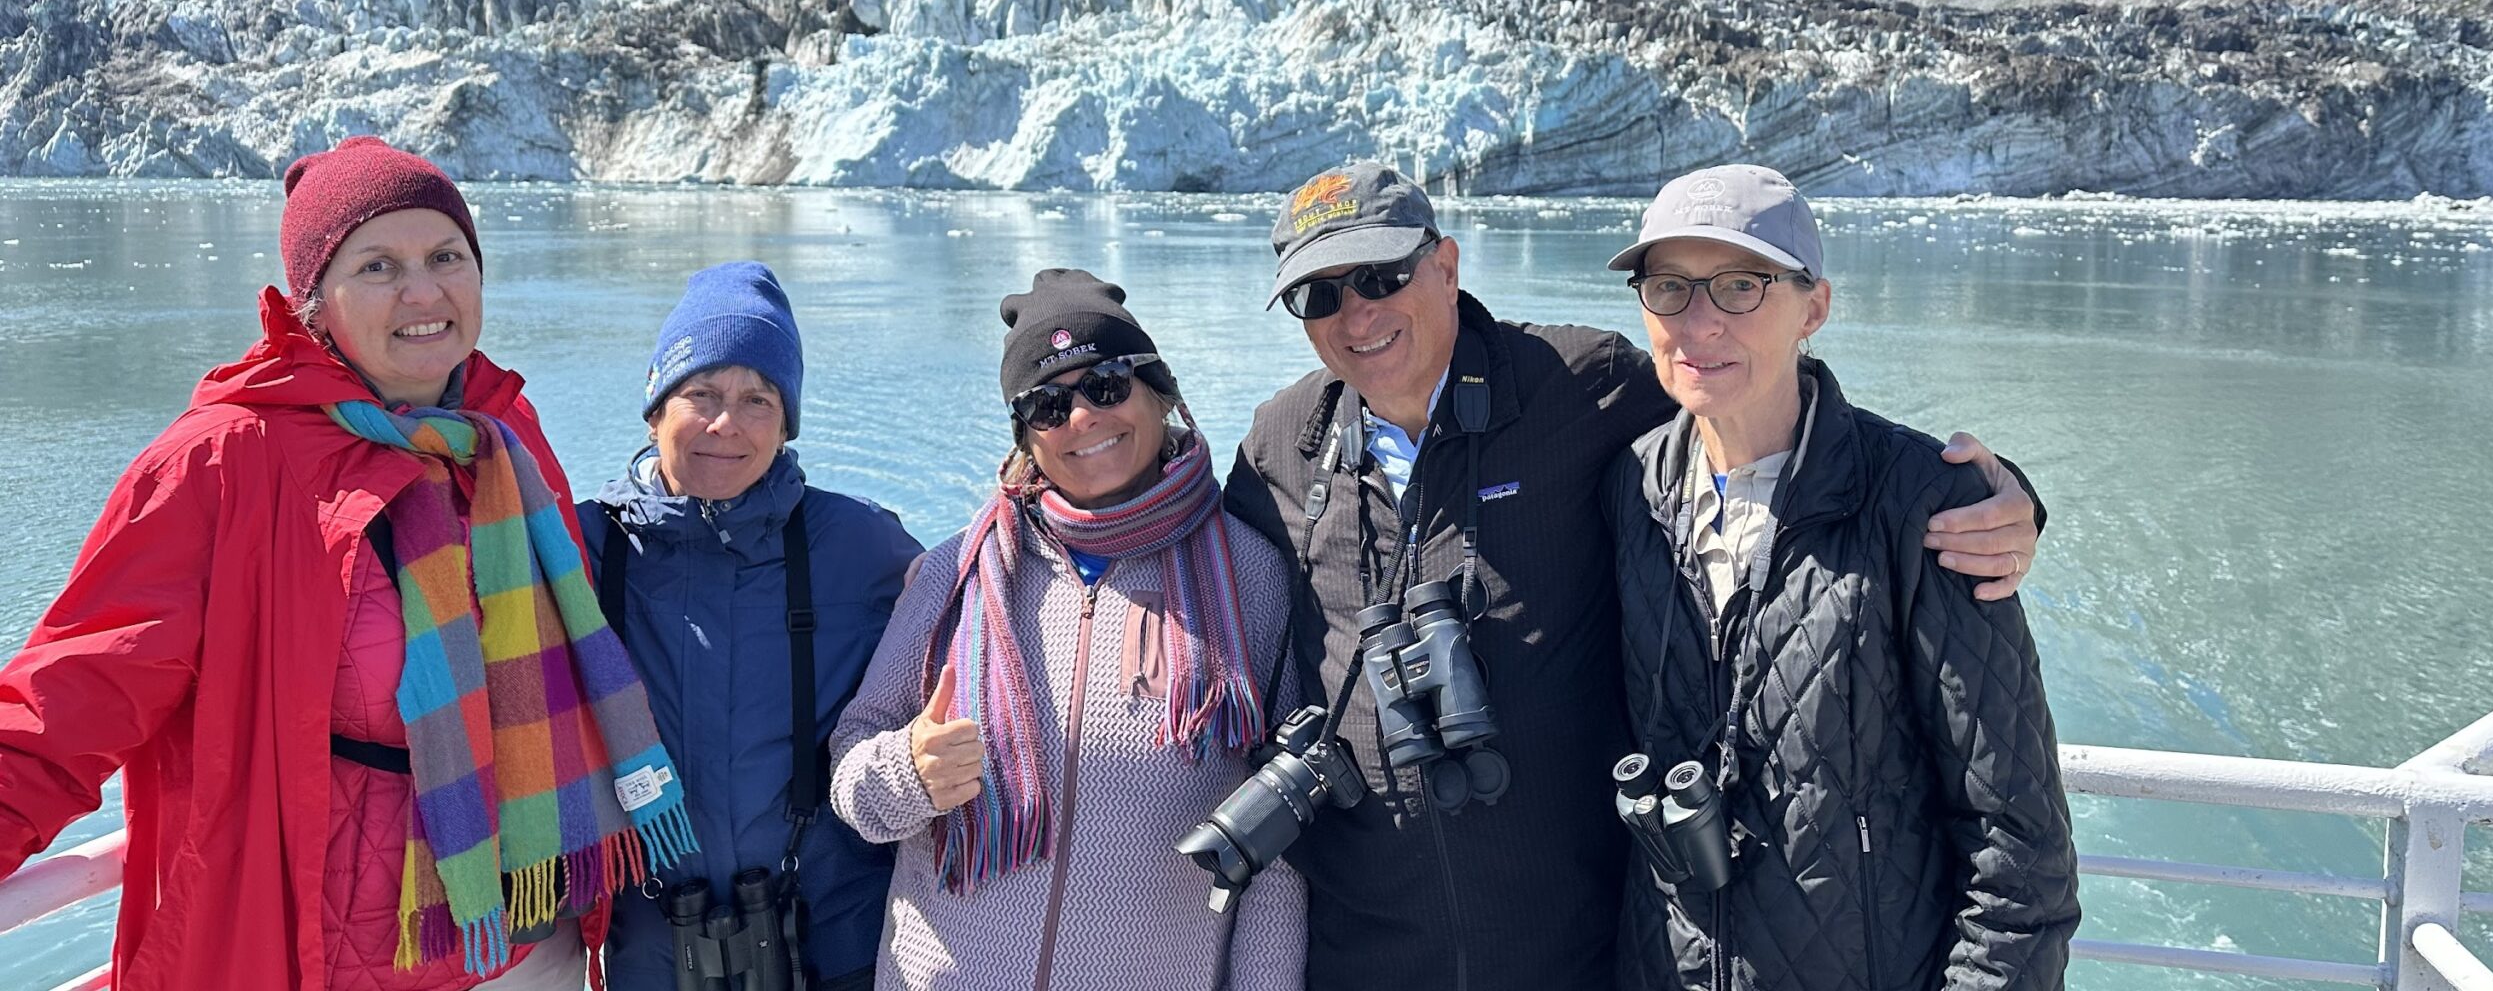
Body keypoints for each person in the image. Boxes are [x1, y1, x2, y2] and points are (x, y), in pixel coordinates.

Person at [1221, 162, 2049, 991]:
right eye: (1318, 296)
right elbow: (1177, 543)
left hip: (1575, 957)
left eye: (1379, 276)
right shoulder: (1284, 445)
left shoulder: (1586, 388)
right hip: (1379, 958)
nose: (1355, 314)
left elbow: (1781, 424)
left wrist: (1991, 498)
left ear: (1445, 266)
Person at [0, 137, 696, 991]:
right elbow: (72, 698)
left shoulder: (502, 438)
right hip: (331, 960)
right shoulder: (225, 463)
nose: (423, 291)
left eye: (447, 256)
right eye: (377, 266)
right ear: (315, 304)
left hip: (528, 942)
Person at [1606, 164, 2077, 989]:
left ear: (1813, 308)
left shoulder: (1924, 505)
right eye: (1669, 288)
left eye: (1742, 286)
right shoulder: (1629, 491)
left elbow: (2018, 854)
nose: (1699, 321)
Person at [830, 270, 1305, 991]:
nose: (1081, 417)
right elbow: (853, 767)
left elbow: (1278, 835)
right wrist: (909, 775)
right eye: (1048, 404)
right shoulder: (955, 574)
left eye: (1107, 384)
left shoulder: (1252, 578)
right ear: (1027, 435)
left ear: (1161, 391)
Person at [577, 262, 922, 991]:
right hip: (646, 946)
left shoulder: (861, 546)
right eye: (700, 393)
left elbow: (993, 609)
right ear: (654, 410)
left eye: (757, 399)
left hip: (827, 937)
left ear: (787, 420)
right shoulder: (582, 548)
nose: (726, 423)